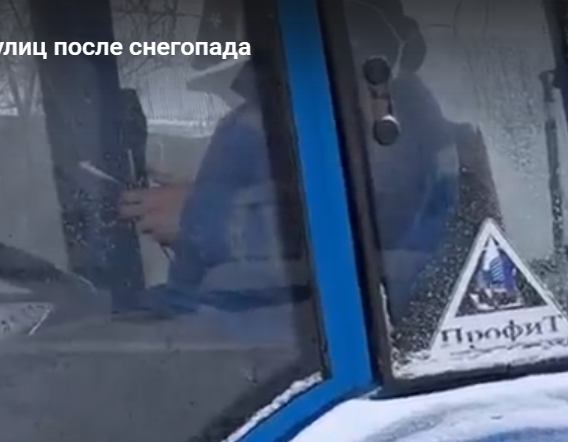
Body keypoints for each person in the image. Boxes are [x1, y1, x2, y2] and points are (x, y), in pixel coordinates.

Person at [119, 0, 458, 313]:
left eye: (258, 82)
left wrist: (197, 217)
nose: (241, 103)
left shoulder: (396, 132)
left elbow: (372, 232)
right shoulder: (267, 126)